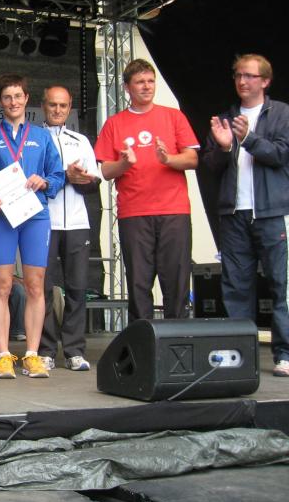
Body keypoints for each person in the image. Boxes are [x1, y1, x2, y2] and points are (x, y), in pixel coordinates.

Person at [0, 73, 64, 379]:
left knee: (36, 285)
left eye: (18, 96)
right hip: (2, 218)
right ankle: (3, 356)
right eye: (7, 97)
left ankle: (32, 355)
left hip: (35, 217)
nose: (13, 102)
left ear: (27, 99)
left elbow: (58, 175)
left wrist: (44, 181)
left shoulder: (42, 136)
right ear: (0, 102)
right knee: (2, 286)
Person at [94, 59, 199, 322]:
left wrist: (168, 159)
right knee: (139, 282)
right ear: (127, 87)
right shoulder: (114, 123)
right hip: (134, 212)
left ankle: (177, 338)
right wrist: (125, 164)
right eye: (140, 82)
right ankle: (141, 339)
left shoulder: (173, 116)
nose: (146, 86)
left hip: (174, 210)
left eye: (150, 81)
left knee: (176, 279)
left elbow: (192, 159)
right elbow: (105, 171)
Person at [204, 54, 289, 377]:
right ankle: (241, 355)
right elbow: (210, 166)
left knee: (281, 285)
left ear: (265, 81)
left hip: (272, 212)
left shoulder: (281, 114)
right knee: (236, 287)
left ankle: (284, 354)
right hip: (234, 213)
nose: (242, 81)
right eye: (238, 75)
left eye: (249, 76)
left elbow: (281, 154)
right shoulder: (227, 117)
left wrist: (249, 139)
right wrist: (225, 148)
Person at [40, 85, 101, 371]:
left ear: (69, 107)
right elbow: (31, 180)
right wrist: (65, 176)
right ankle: (46, 350)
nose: (57, 110)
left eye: (63, 105)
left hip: (76, 223)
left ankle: (75, 350)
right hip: (43, 222)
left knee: (77, 288)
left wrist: (81, 179)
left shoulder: (81, 141)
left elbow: (94, 183)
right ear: (43, 106)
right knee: (42, 289)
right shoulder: (35, 139)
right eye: (53, 104)